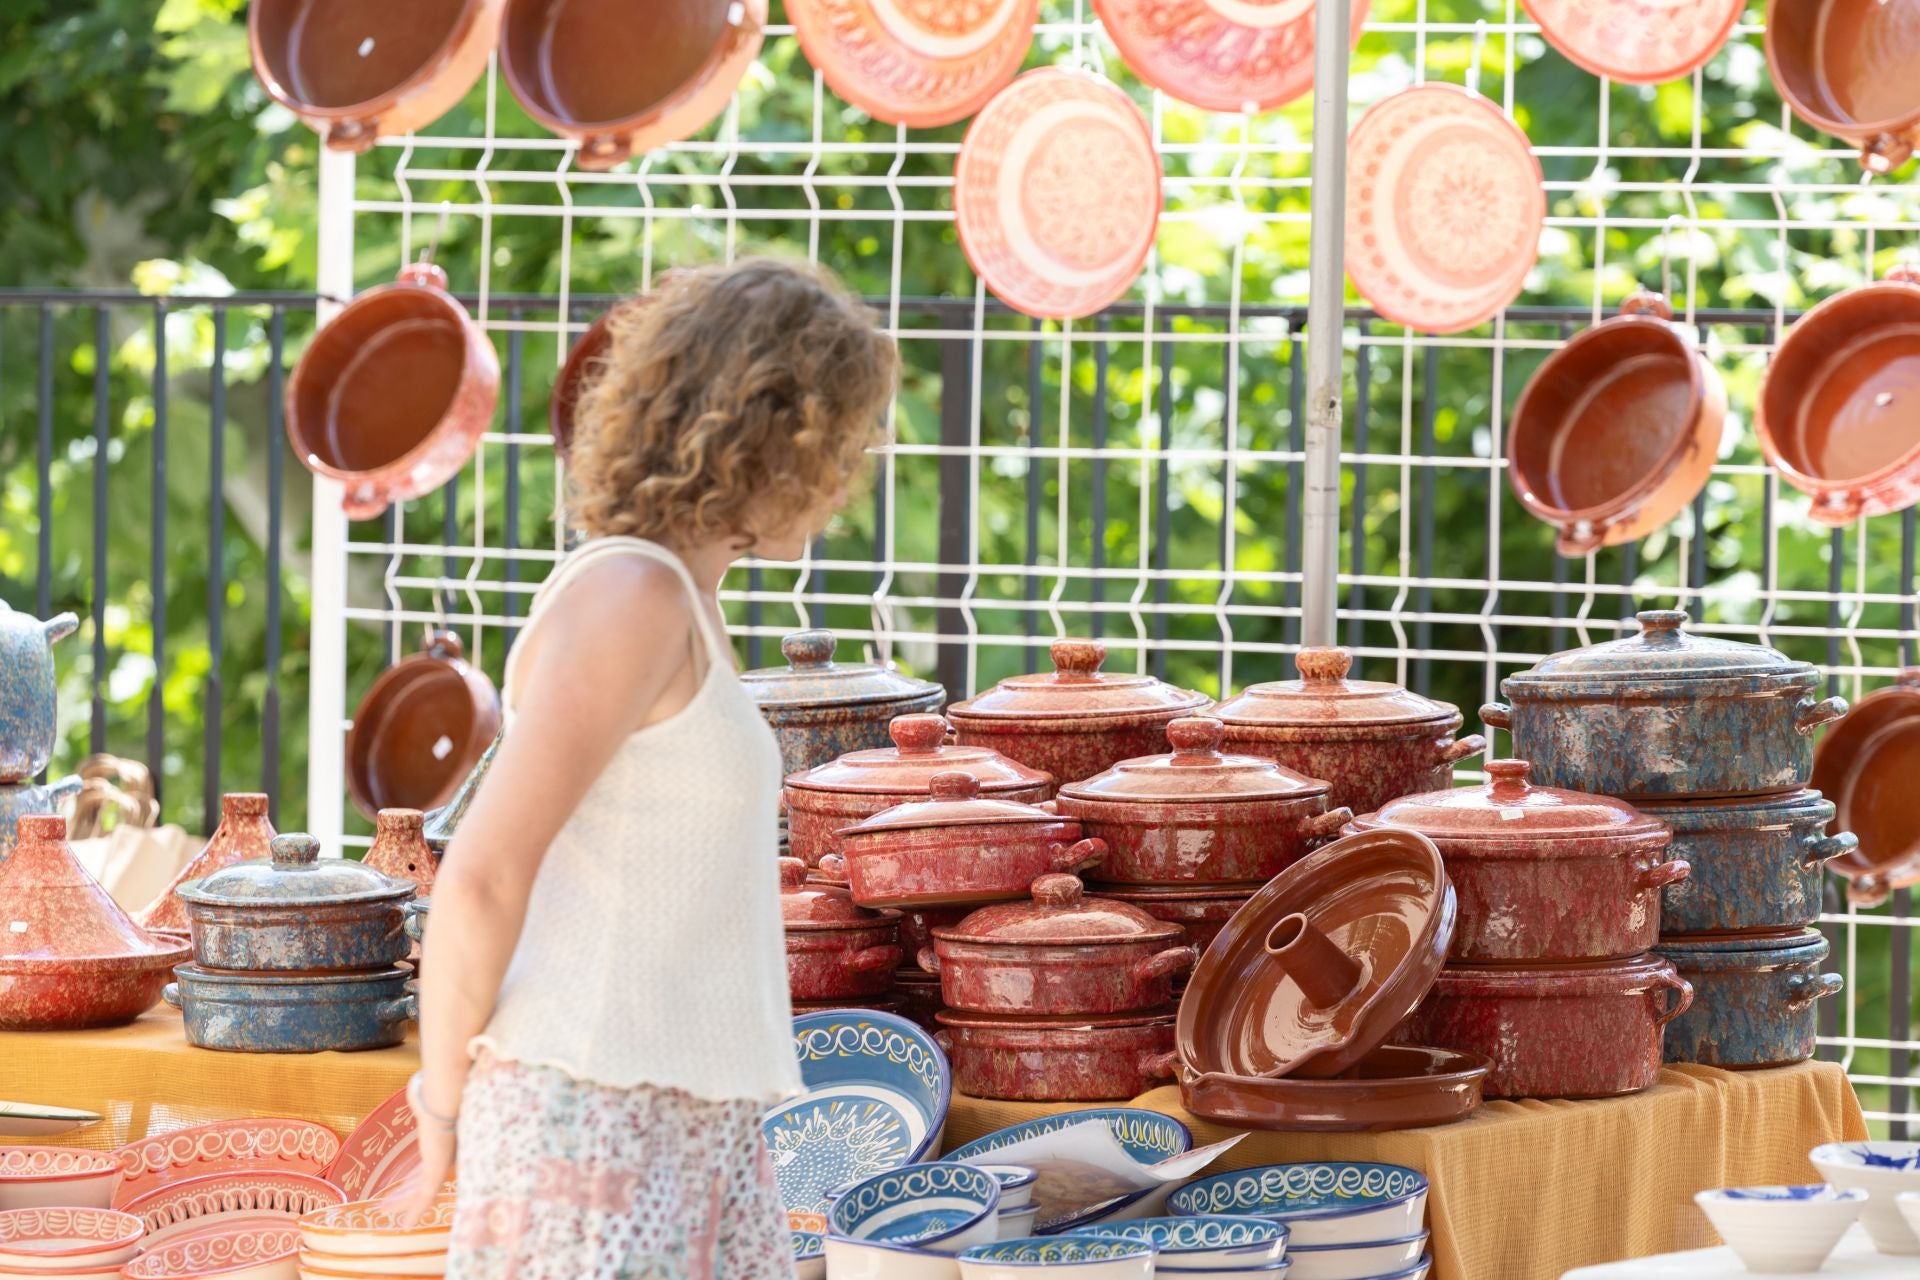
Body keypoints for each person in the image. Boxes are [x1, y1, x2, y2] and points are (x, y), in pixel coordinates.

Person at [391, 257, 899, 1279]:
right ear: (764, 438)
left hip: (679, 1117)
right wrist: (439, 1110)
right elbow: (484, 873)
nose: (848, 482)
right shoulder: (635, 595)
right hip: (597, 1120)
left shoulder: (676, 597)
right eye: (839, 446)